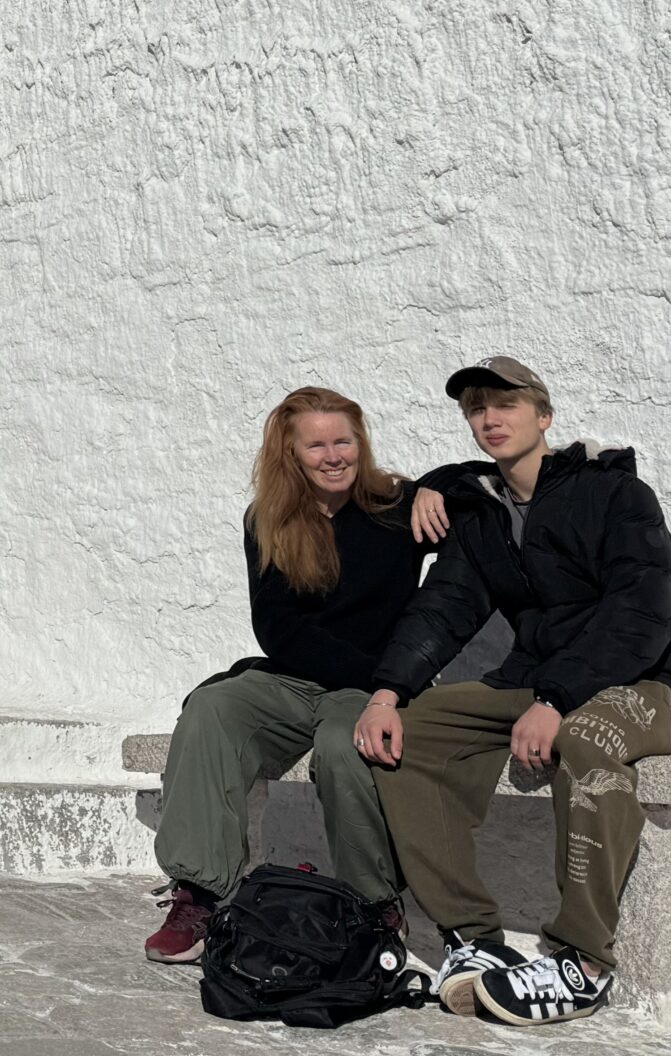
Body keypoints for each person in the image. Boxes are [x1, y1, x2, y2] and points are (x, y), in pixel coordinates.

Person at [354, 357, 671, 1026]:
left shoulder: (615, 496)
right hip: (538, 685)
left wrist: (558, 699)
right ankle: (472, 937)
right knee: (410, 737)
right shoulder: (481, 513)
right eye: (477, 408)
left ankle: (584, 961)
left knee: (587, 741)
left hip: (641, 683)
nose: (490, 417)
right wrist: (388, 693)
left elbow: (642, 608)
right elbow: (443, 607)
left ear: (544, 417)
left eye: (506, 403)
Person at [144, 387, 459, 963]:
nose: (333, 455)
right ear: (290, 453)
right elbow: (277, 626)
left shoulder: (397, 507)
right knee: (213, 710)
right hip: (295, 677)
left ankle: (375, 906)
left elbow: (478, 493)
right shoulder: (268, 520)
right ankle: (202, 893)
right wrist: (372, 671)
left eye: (344, 441)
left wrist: (440, 483)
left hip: (371, 690)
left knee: (344, 743)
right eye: (317, 445)